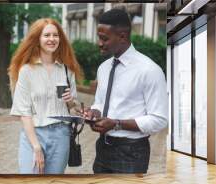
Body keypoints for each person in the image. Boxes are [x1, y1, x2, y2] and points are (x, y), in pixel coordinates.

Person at [82, 9, 168, 174]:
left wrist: (116, 123)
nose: (99, 43)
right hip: (102, 148)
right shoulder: (104, 68)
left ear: (122, 36)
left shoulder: (149, 70)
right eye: (99, 37)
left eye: (104, 38)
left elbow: (159, 120)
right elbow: (100, 101)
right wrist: (93, 112)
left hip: (132, 153)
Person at [9, 18, 82, 174]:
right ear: (37, 39)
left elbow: (74, 111)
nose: (52, 39)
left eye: (55, 35)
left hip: (61, 134)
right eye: (47, 35)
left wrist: (71, 102)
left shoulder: (66, 70)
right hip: (34, 135)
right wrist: (36, 147)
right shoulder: (27, 71)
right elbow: (24, 112)